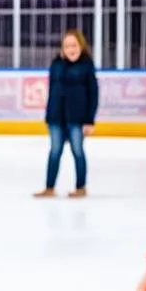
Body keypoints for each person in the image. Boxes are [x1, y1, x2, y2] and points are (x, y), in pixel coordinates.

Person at [35, 28, 99, 199]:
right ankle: (49, 187)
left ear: (81, 46)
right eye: (67, 46)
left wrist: (89, 120)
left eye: (74, 45)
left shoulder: (86, 66)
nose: (71, 49)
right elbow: (52, 90)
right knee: (55, 151)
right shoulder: (56, 64)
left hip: (77, 118)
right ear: (62, 48)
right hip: (56, 117)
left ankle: (80, 187)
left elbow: (93, 94)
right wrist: (49, 115)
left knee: (78, 151)